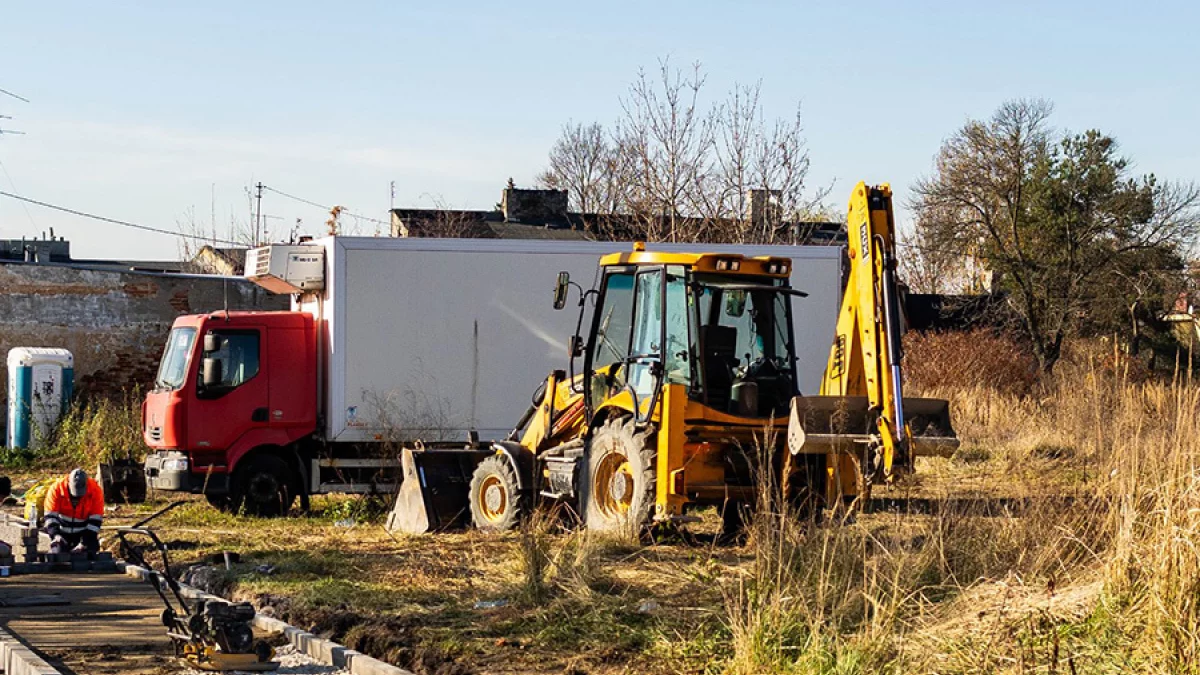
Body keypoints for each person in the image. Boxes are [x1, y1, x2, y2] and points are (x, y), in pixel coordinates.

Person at [43, 468, 105, 555]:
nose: (77, 498)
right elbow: (50, 518)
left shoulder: (96, 491)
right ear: (68, 483)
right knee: (58, 554)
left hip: (84, 534)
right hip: (62, 535)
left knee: (90, 553)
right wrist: (56, 535)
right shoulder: (56, 489)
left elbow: (95, 522)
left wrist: (84, 542)